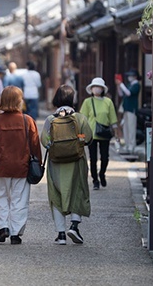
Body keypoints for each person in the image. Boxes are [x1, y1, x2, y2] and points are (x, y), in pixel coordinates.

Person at [0, 86, 42, 245]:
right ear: (19, 101)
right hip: (22, 167)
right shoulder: (28, 121)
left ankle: (3, 227)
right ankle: (15, 233)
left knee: (0, 197)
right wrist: (38, 163)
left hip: (1, 167)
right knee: (19, 200)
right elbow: (35, 145)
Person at [41, 84, 93, 245]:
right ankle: (74, 226)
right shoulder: (79, 118)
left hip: (56, 162)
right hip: (77, 160)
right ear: (73, 99)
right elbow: (88, 138)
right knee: (78, 191)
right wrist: (78, 139)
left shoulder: (51, 119)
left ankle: (61, 234)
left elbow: (45, 141)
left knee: (57, 195)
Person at [79, 77, 119, 190]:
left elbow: (113, 120)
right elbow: (82, 119)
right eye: (94, 87)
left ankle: (102, 174)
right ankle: (95, 180)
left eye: (99, 87)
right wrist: (81, 136)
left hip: (104, 134)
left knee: (105, 157)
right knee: (92, 158)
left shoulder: (108, 102)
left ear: (103, 89)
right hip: (91, 134)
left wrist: (117, 134)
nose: (96, 89)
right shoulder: (87, 102)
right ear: (91, 89)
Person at [116, 69, 141, 153]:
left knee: (131, 128)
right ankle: (127, 144)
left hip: (132, 109)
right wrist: (118, 86)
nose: (129, 77)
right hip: (126, 108)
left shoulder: (136, 85)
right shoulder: (129, 84)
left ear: (135, 76)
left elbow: (128, 93)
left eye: (131, 75)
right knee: (126, 128)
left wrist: (121, 84)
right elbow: (121, 94)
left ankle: (131, 145)